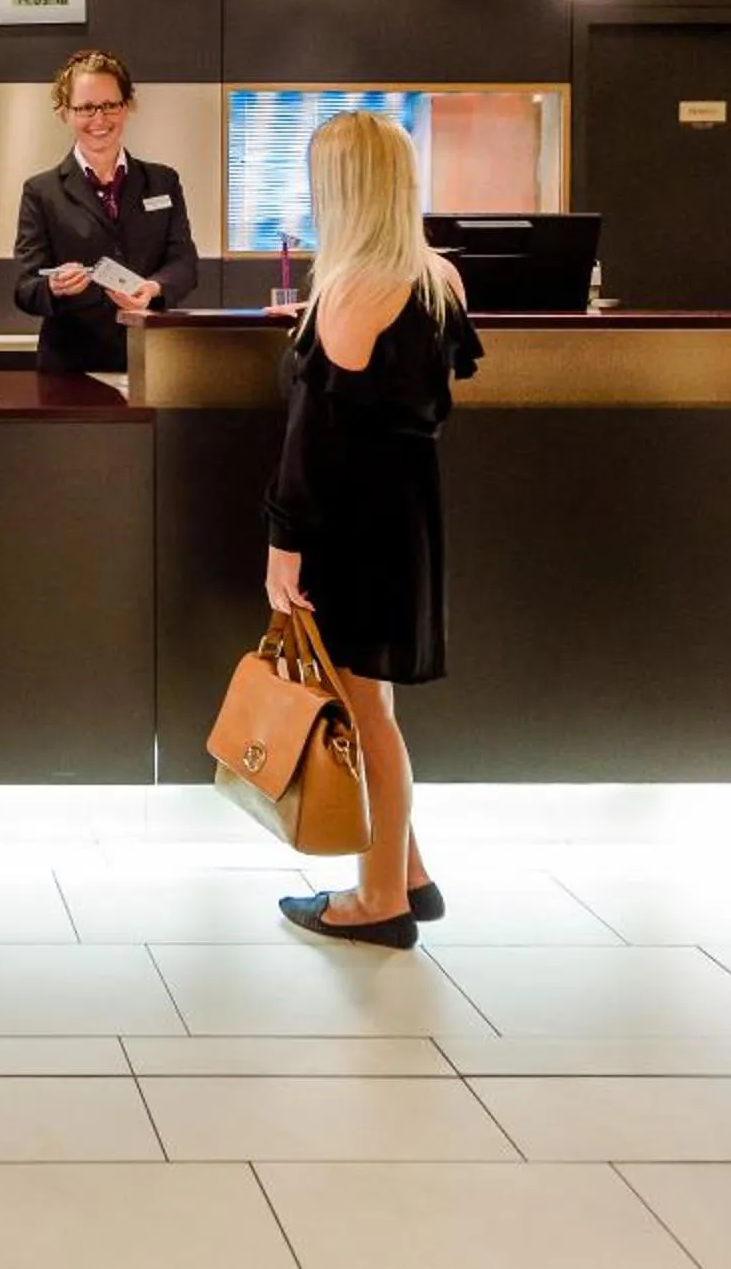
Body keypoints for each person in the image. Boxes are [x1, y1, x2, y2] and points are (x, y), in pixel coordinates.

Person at [261, 109, 480, 948]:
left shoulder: (350, 291)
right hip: (408, 517)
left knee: (363, 715)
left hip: (349, 527)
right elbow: (408, 396)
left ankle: (378, 899)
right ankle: (409, 870)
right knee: (371, 701)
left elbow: (310, 445)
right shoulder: (439, 280)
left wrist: (284, 544)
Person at [11, 47, 200, 374]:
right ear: (65, 113)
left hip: (152, 363)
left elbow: (183, 264)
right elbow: (26, 287)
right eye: (85, 108)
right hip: (69, 369)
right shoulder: (41, 191)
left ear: (127, 107)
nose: (99, 119)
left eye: (110, 105)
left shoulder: (163, 181)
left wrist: (153, 288)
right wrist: (54, 287)